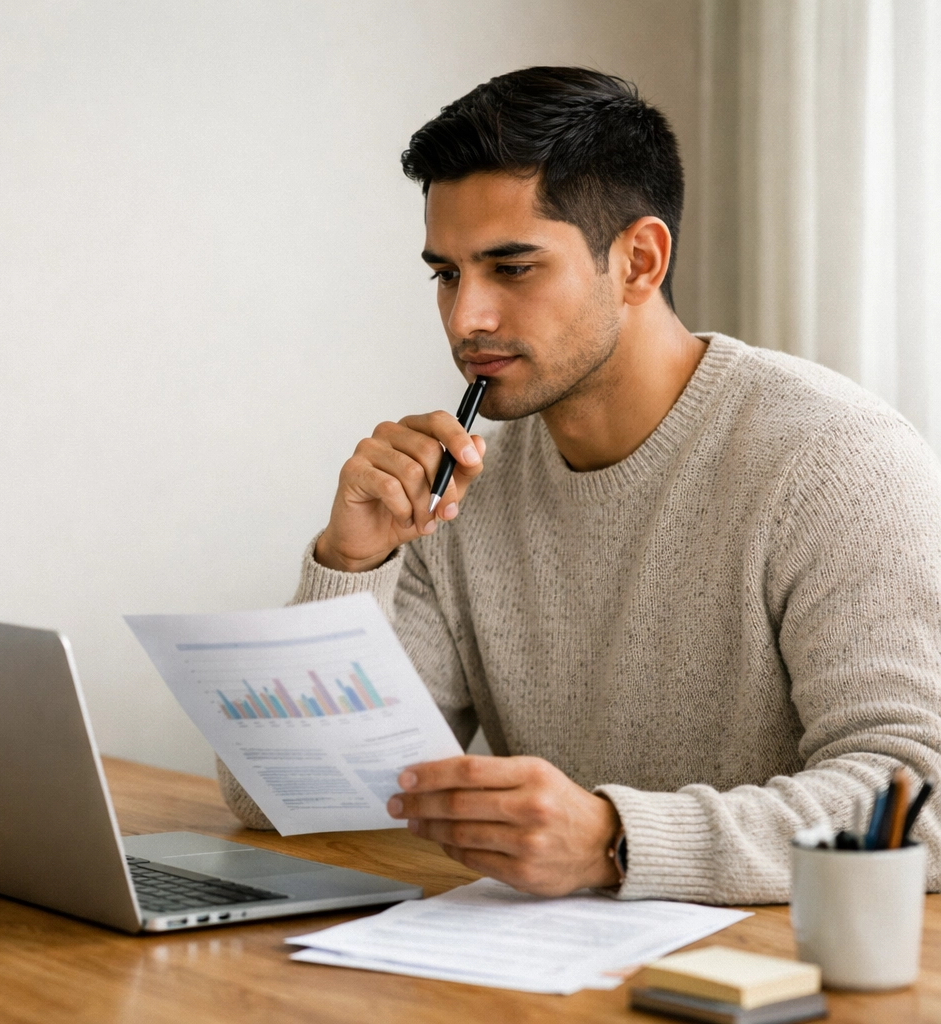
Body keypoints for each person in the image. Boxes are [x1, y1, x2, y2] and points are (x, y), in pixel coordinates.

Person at [216, 66, 941, 904]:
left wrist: (616, 841)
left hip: (780, 978)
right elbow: (281, 798)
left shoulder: (834, 460)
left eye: (511, 268)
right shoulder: (461, 490)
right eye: (446, 275)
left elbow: (918, 797)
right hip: (552, 973)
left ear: (639, 259)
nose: (465, 318)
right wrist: (351, 562)